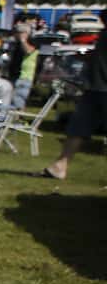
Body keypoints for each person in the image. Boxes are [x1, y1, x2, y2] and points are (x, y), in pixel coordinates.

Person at [43, 35, 106, 180]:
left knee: (78, 128)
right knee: (77, 128)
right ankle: (60, 166)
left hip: (100, 88)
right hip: (94, 88)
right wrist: (89, 58)